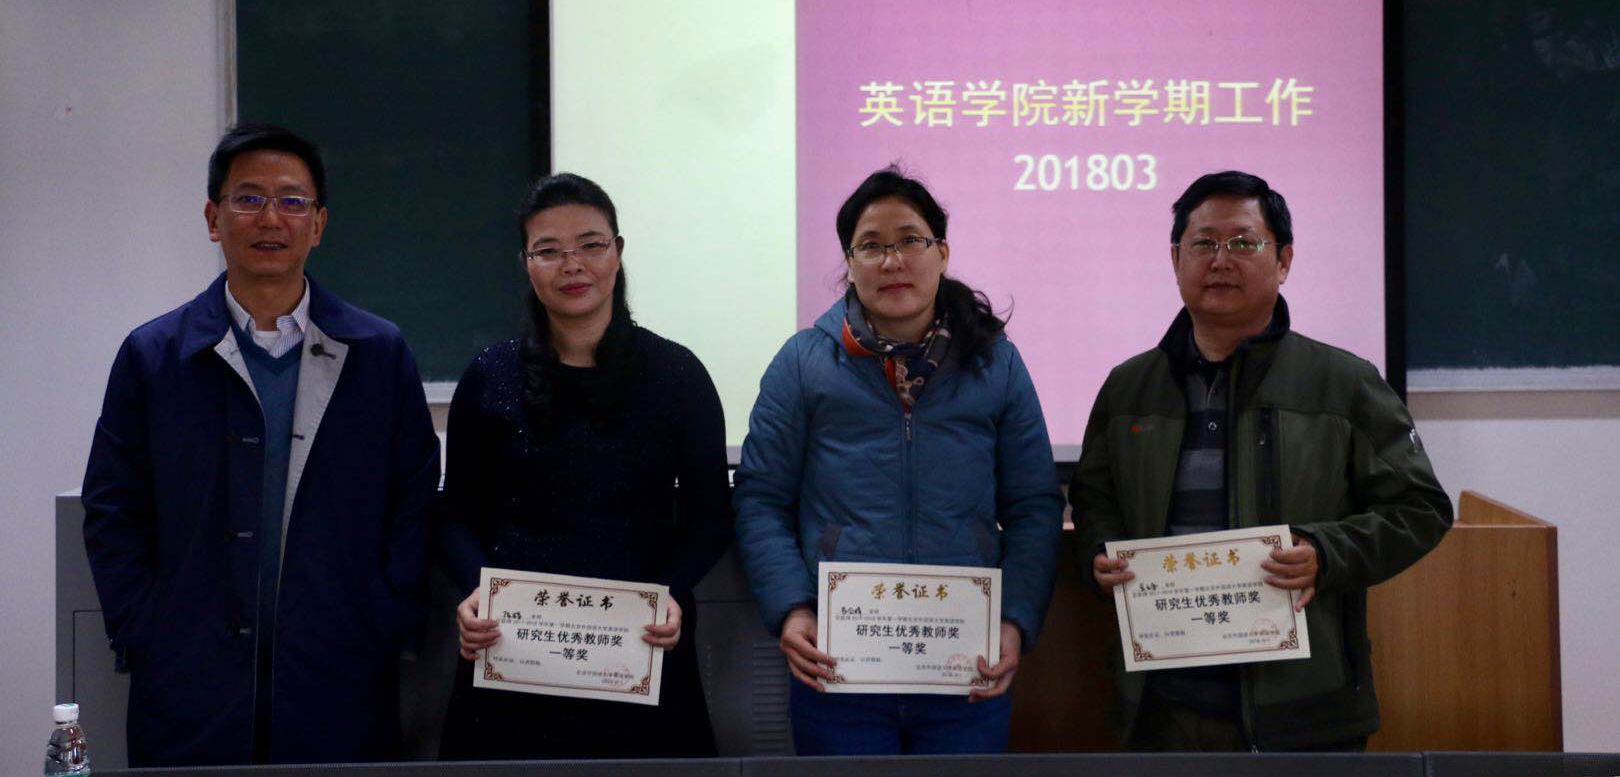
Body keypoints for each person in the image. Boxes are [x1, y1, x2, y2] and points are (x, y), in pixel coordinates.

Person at [81, 122, 440, 766]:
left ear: (319, 224)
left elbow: (412, 499)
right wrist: (146, 630)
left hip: (341, 671)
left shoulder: (377, 353)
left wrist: (385, 619)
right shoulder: (153, 356)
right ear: (213, 218)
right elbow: (113, 509)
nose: (270, 218)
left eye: (292, 201)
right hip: (189, 678)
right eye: (248, 198)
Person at [1069, 170, 1452, 751]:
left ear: (1284, 259)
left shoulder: (1343, 383)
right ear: (1175, 259)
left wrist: (1326, 552)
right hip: (1160, 709)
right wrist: (1100, 551)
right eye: (1203, 242)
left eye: (1244, 242)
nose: (1220, 259)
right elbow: (1094, 497)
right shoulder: (1129, 386)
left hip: (1302, 709)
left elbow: (1421, 509)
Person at [733, 166, 1064, 755]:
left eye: (910, 240)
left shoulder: (997, 364)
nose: (892, 261)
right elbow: (760, 498)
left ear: (942, 253)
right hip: (839, 662)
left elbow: (1035, 505)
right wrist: (791, 609)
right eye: (871, 246)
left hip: (965, 661)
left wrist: (1014, 619)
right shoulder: (802, 363)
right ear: (849, 262)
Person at [436, 173, 732, 760]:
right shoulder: (490, 376)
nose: (572, 265)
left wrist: (673, 593)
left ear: (617, 252)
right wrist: (475, 591)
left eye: (591, 244)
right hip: (515, 650)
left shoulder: (678, 375)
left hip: (640, 648)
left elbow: (711, 518)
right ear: (526, 264)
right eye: (548, 250)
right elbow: (454, 514)